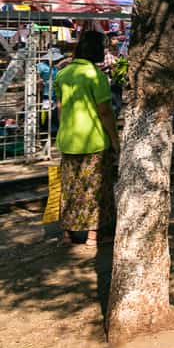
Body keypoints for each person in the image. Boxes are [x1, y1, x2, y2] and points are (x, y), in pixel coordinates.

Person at [54, 31, 119, 247]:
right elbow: (105, 113)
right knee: (95, 189)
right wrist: (115, 141)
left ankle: (67, 234)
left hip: (69, 140)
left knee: (70, 188)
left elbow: (60, 108)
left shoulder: (62, 74)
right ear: (96, 50)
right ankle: (93, 236)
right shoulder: (96, 76)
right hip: (94, 142)